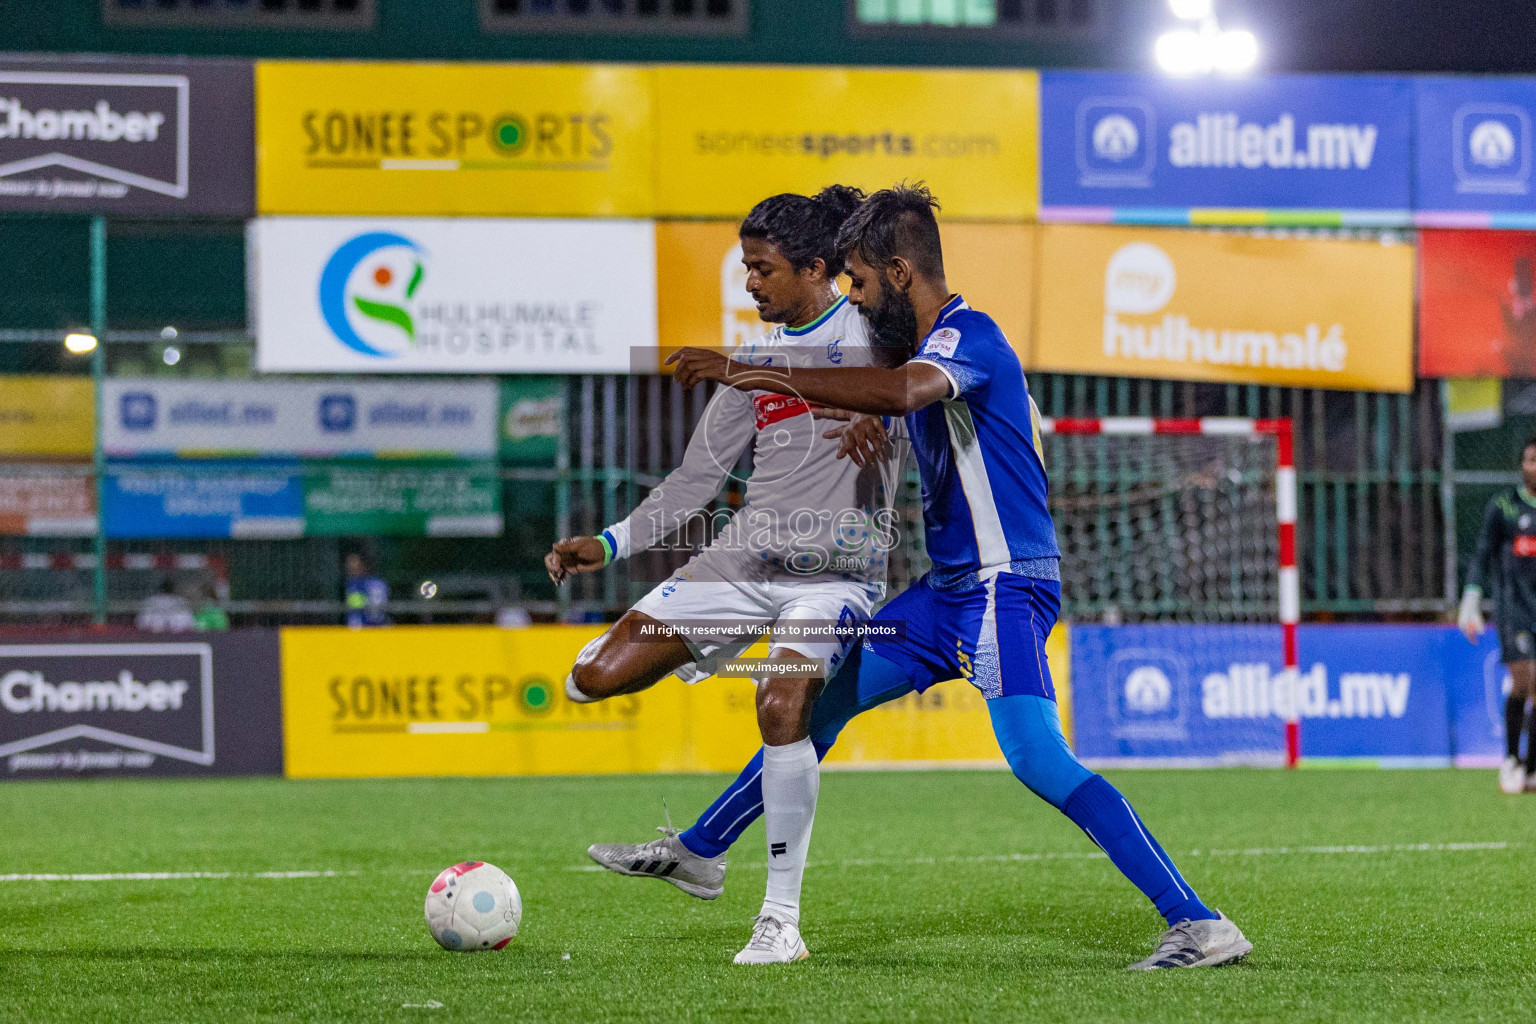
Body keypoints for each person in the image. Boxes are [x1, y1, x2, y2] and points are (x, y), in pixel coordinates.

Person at [666, 183, 1252, 971]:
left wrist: (756, 375)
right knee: (819, 703)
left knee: (1040, 758)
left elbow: (910, 389)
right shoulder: (929, 354)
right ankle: (702, 849)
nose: (857, 300)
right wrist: (876, 426)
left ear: (901, 273)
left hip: (1001, 585)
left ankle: (1199, 921)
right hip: (948, 592)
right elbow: (905, 400)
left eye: (863, 283)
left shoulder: (968, 335)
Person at [548, 185, 904, 966]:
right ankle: (702, 866)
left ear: (816, 268)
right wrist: (606, 544)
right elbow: (692, 484)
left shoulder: (876, 335)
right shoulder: (757, 359)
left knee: (780, 704)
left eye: (762, 269)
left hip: (835, 576)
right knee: (593, 678)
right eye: (747, 268)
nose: (749, 283)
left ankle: (781, 921)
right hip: (739, 562)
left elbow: (920, 396)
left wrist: (887, 421)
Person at [1458, 436, 1536, 794]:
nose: (1534, 467)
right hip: (1512, 608)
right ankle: (1509, 759)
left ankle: (1531, 768)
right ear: (1521, 464)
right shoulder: (1503, 506)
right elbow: (1482, 554)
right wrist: (1471, 599)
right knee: (1523, 679)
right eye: (1530, 460)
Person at [344, 553, 389, 628]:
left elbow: (356, 606)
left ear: (362, 566)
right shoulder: (380, 582)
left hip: (365, 626)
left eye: (355, 567)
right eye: (349, 567)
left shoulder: (360, 584)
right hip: (372, 625)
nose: (351, 570)